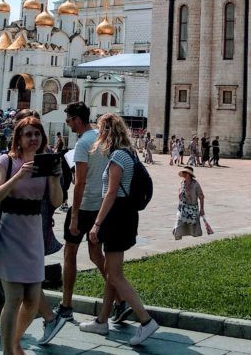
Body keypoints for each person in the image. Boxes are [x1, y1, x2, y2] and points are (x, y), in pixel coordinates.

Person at [79, 113, 160, 346]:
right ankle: (102, 321)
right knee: (111, 270)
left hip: (116, 217)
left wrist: (97, 224)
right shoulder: (130, 154)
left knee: (115, 274)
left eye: (100, 130)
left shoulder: (116, 157)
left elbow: (111, 192)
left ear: (106, 131)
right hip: (126, 216)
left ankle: (146, 321)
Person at [0, 116, 63, 355]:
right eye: (28, 134)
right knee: (15, 296)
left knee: (32, 299)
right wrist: (19, 175)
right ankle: (8, 351)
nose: (33, 139)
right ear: (18, 138)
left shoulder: (45, 163)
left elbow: (56, 201)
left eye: (37, 134)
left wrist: (54, 178)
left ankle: (15, 341)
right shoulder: (6, 161)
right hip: (10, 230)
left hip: (33, 231)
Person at [49, 102, 117, 339]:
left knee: (70, 253)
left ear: (77, 120)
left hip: (85, 205)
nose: (68, 125)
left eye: (69, 121)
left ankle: (66, 305)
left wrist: (74, 215)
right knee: (96, 255)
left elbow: (79, 182)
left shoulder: (82, 143)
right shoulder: (103, 137)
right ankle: (119, 299)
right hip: (102, 206)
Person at [173, 165, 206, 239]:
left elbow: (201, 197)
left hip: (192, 209)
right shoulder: (182, 183)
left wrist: (202, 209)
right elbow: (180, 195)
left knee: (193, 226)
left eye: (185, 173)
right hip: (183, 209)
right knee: (179, 224)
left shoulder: (195, 184)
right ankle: (177, 240)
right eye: (183, 172)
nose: (184, 174)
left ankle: (196, 241)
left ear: (189, 174)